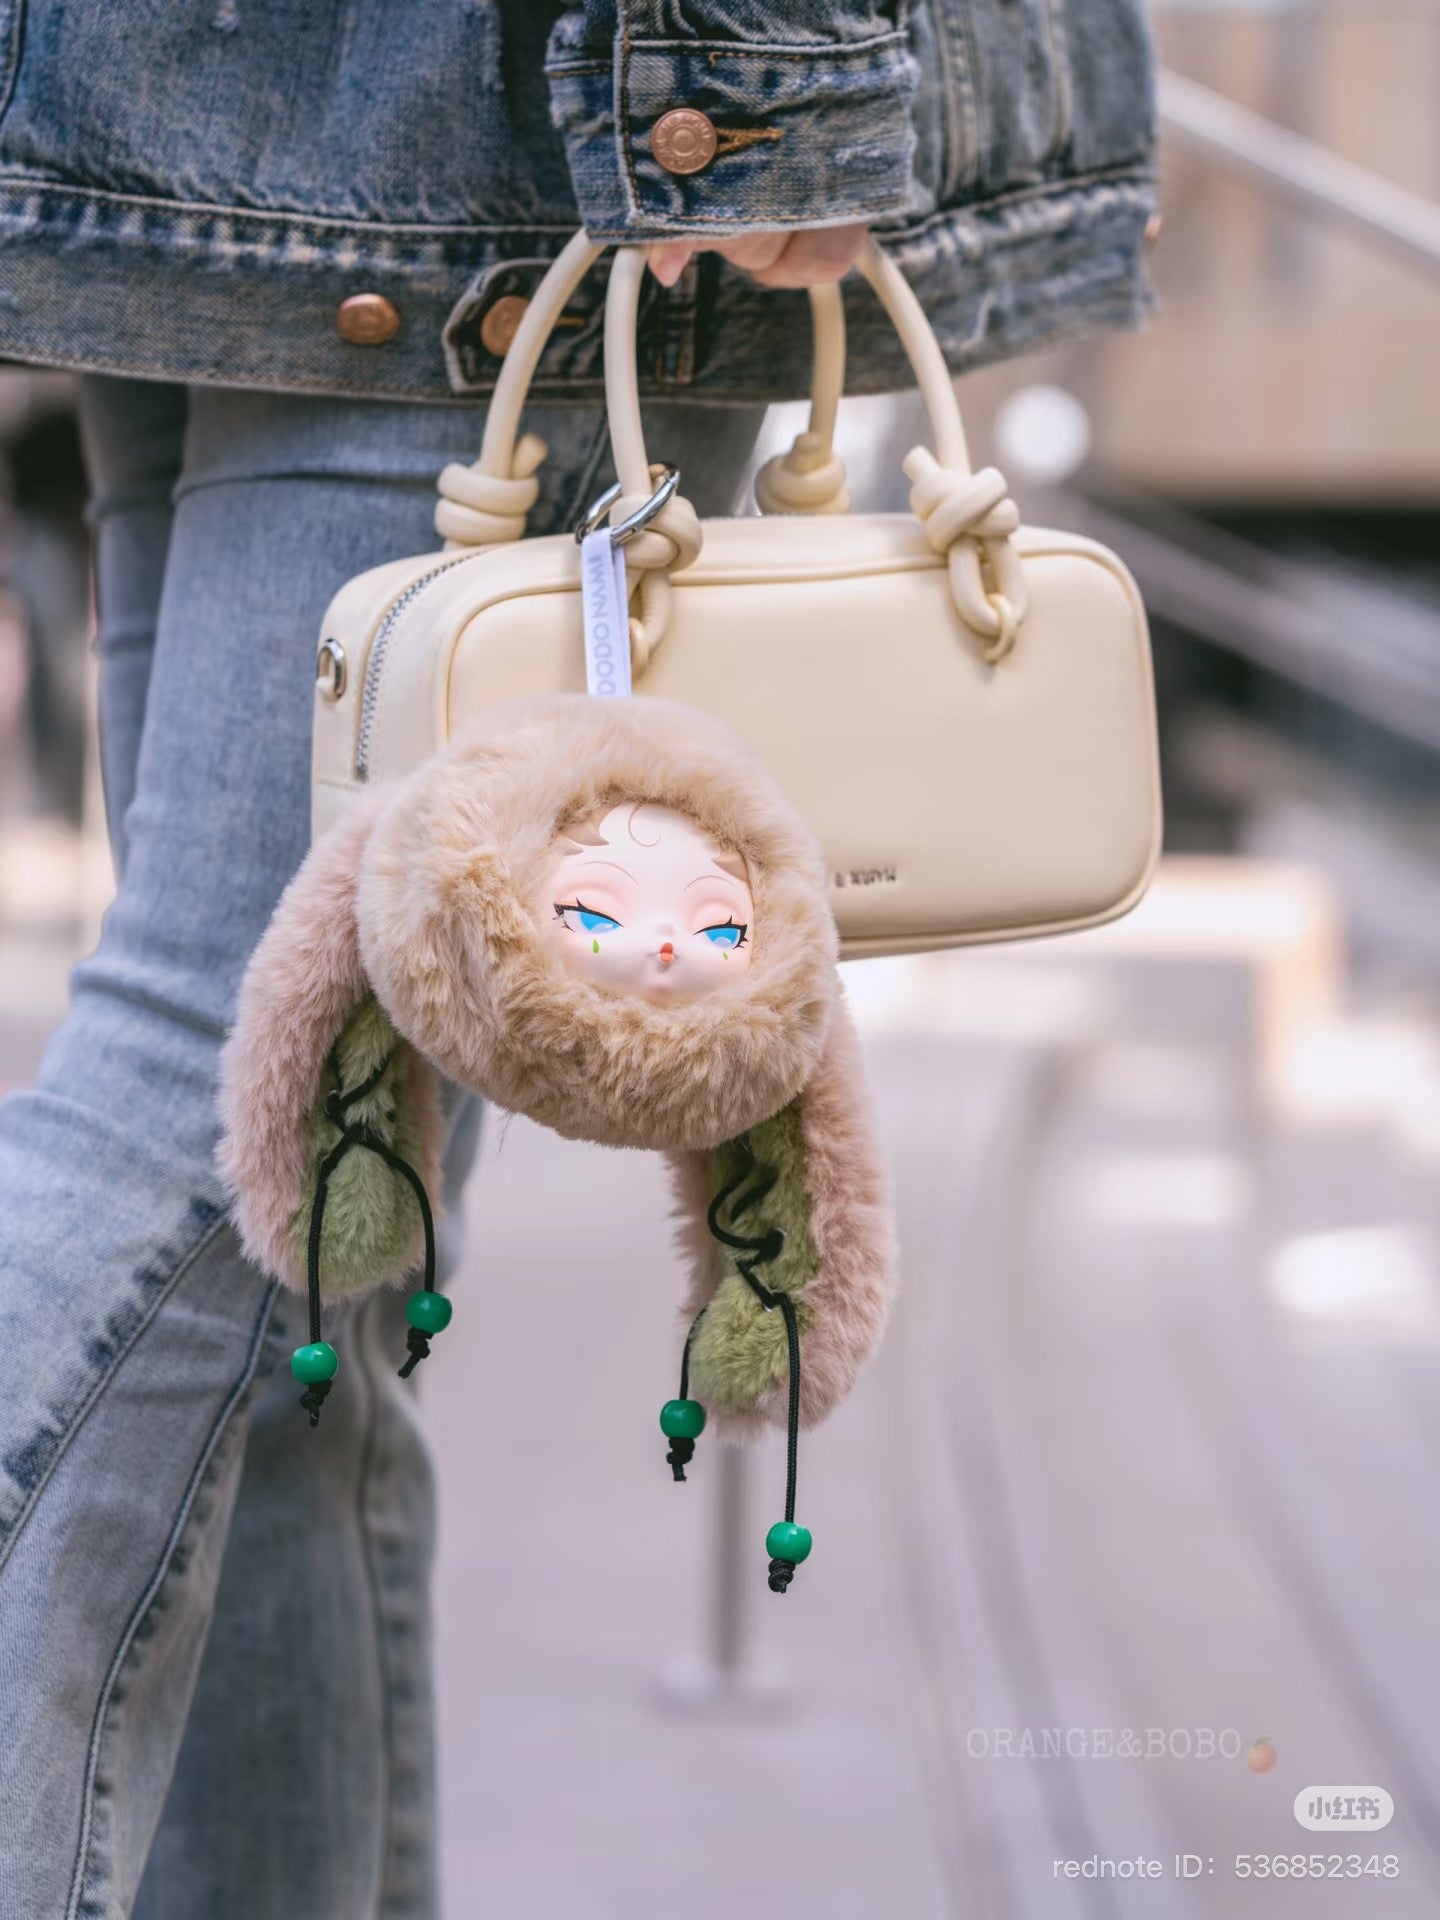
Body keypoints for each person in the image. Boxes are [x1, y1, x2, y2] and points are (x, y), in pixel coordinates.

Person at [0, 4, 1157, 1914]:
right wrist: (756, 84)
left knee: (317, 1246)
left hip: (175, 90)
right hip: (523, 125)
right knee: (218, 1112)